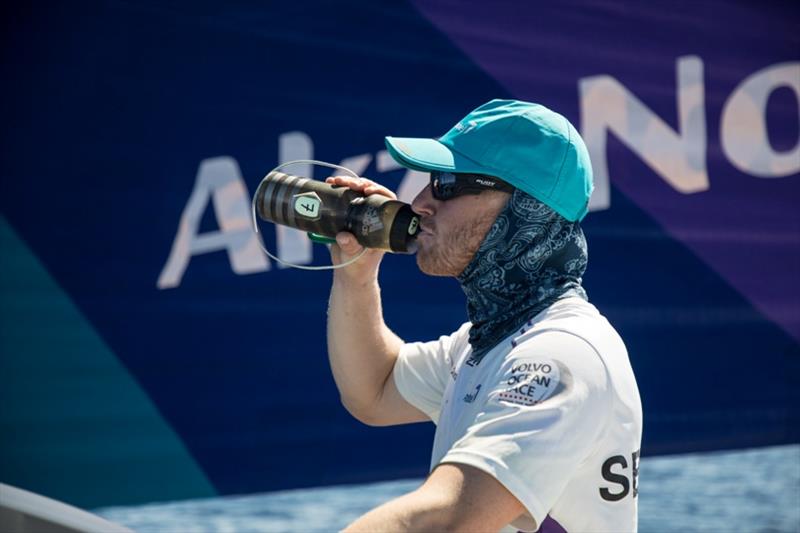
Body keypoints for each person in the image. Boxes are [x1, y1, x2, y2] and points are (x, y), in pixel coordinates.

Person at [325, 99, 642, 533]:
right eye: (430, 180)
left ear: (525, 208)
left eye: (449, 184)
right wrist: (357, 275)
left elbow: (447, 519)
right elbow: (373, 390)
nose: (419, 202)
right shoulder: (487, 342)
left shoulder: (561, 353)